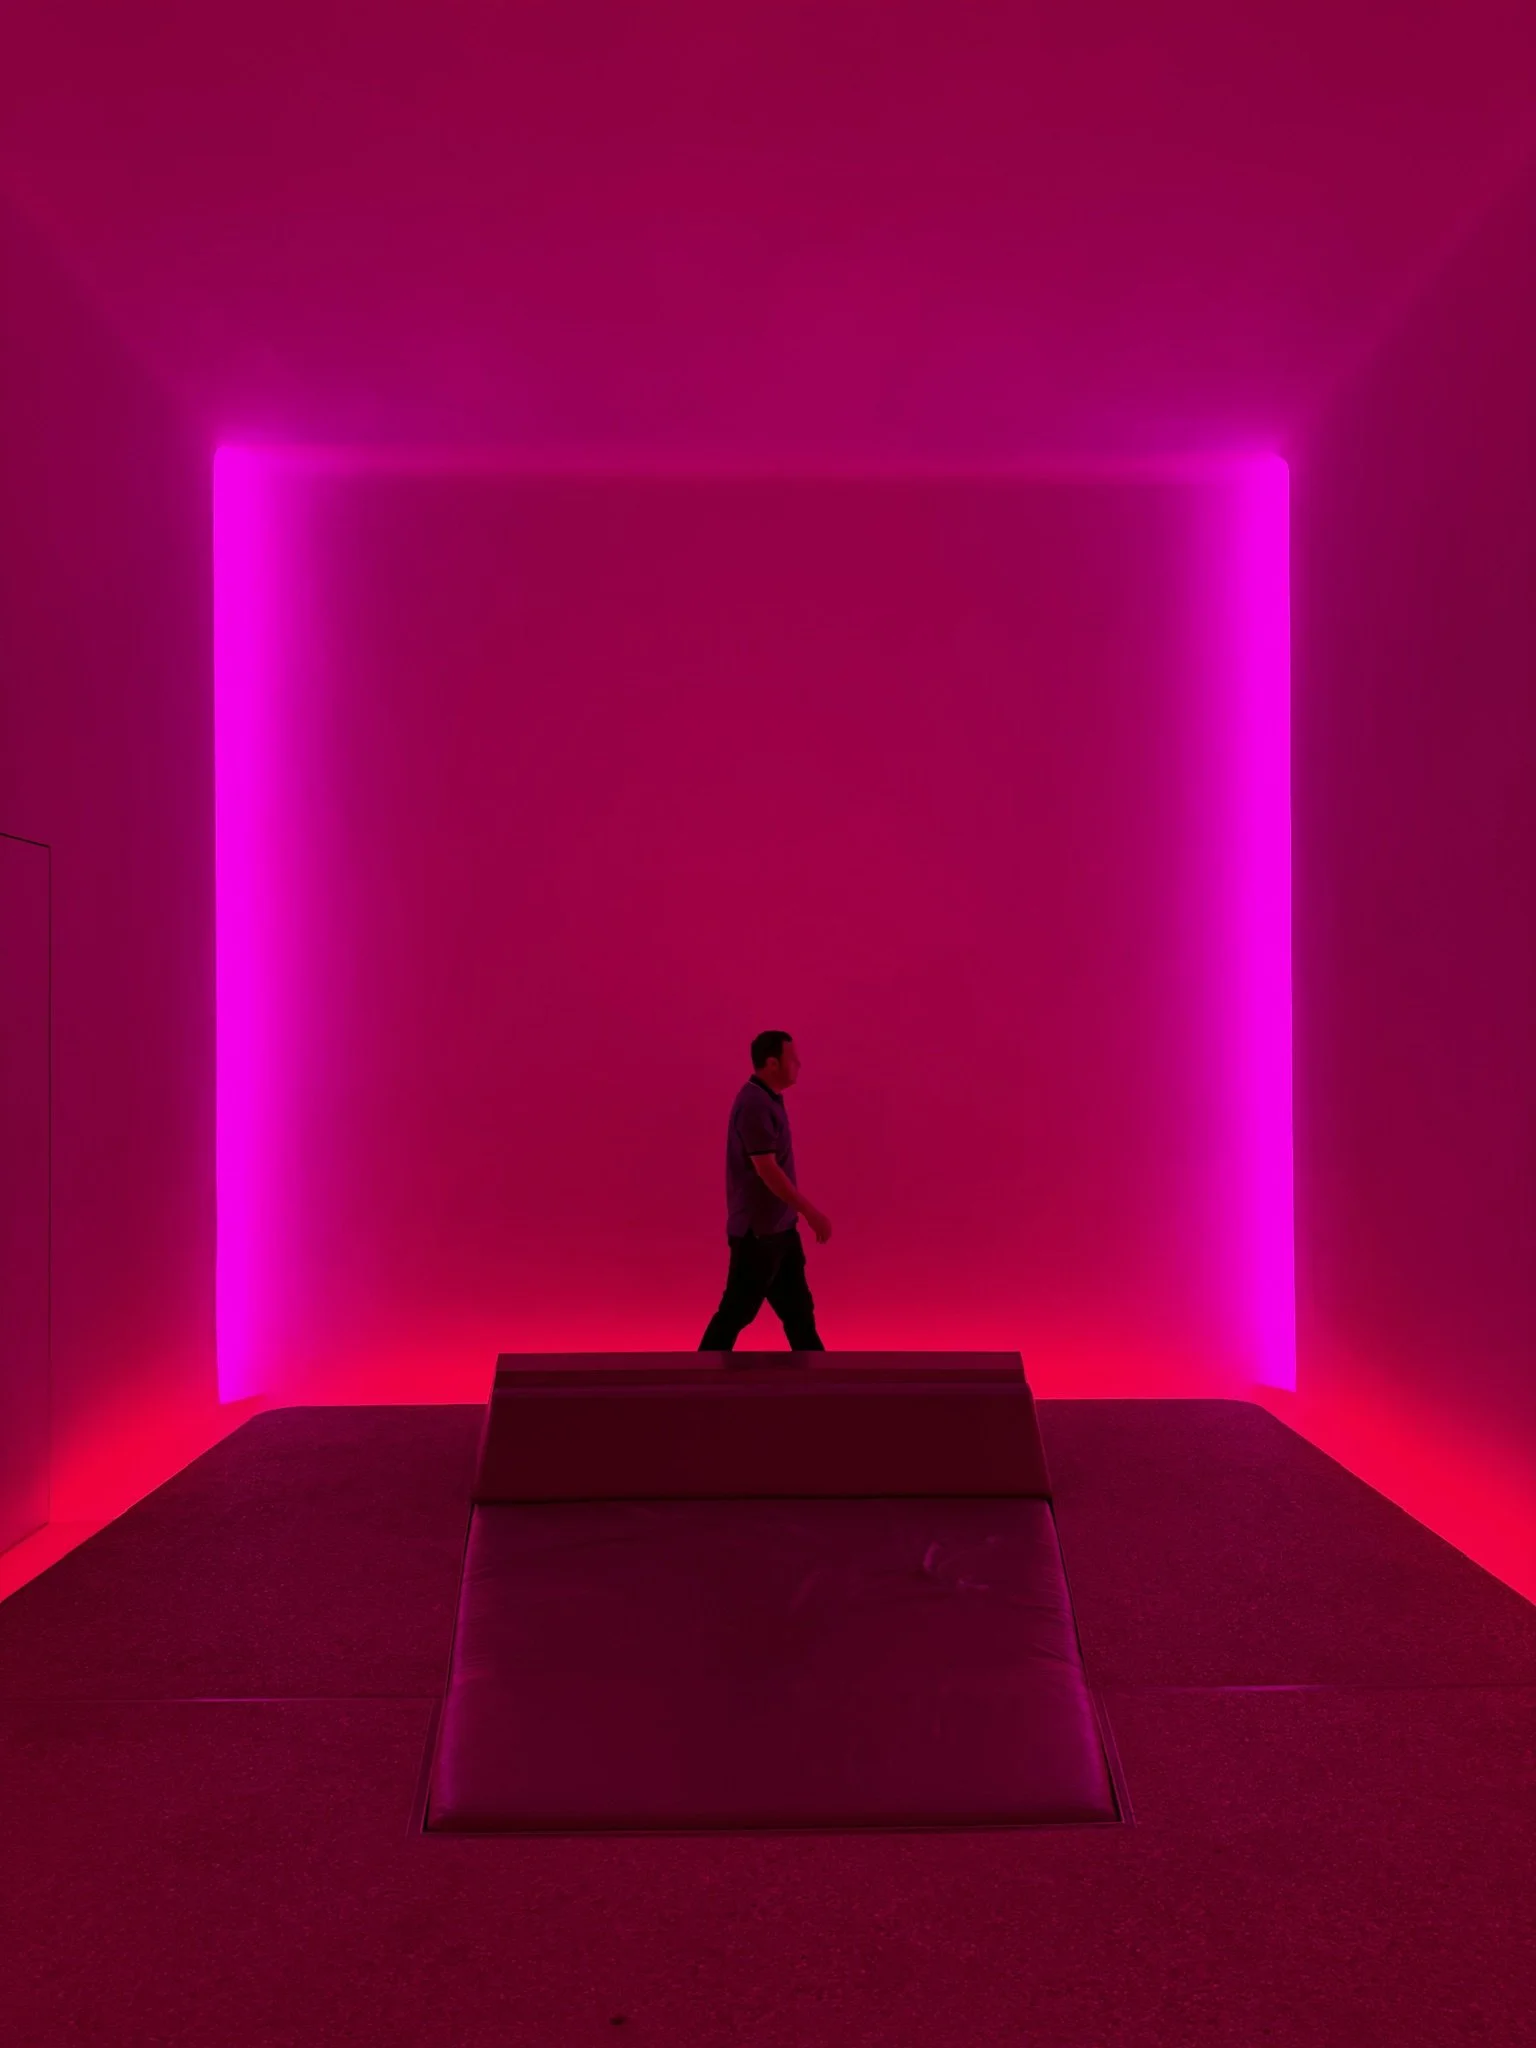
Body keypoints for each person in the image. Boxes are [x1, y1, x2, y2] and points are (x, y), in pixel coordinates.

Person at [698, 1029, 831, 1353]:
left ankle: (818, 1377)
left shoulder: (767, 1100)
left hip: (779, 1232)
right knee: (736, 1313)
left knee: (799, 1316)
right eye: (792, 1059)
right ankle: (698, 1375)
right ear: (772, 1063)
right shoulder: (755, 1104)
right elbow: (767, 1170)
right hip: (759, 1236)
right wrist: (810, 1212)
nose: (799, 1064)